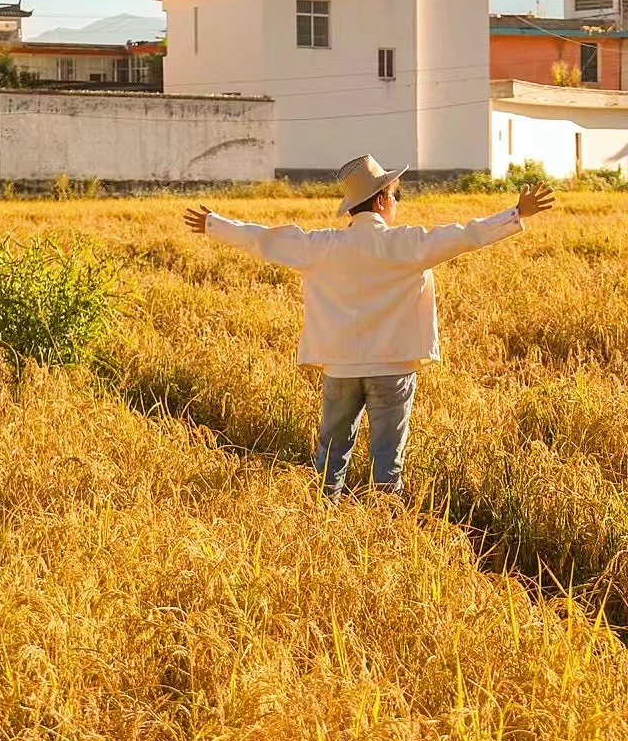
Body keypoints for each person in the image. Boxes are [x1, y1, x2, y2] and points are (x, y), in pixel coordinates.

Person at [183, 155, 554, 501]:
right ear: (380, 201)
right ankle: (384, 527)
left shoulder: (321, 246)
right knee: (387, 462)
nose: (397, 202)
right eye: (396, 195)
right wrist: (517, 213)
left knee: (330, 455)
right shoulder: (407, 244)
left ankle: (324, 519)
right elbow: (467, 235)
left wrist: (214, 225)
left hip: (340, 367)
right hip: (393, 369)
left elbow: (263, 239)